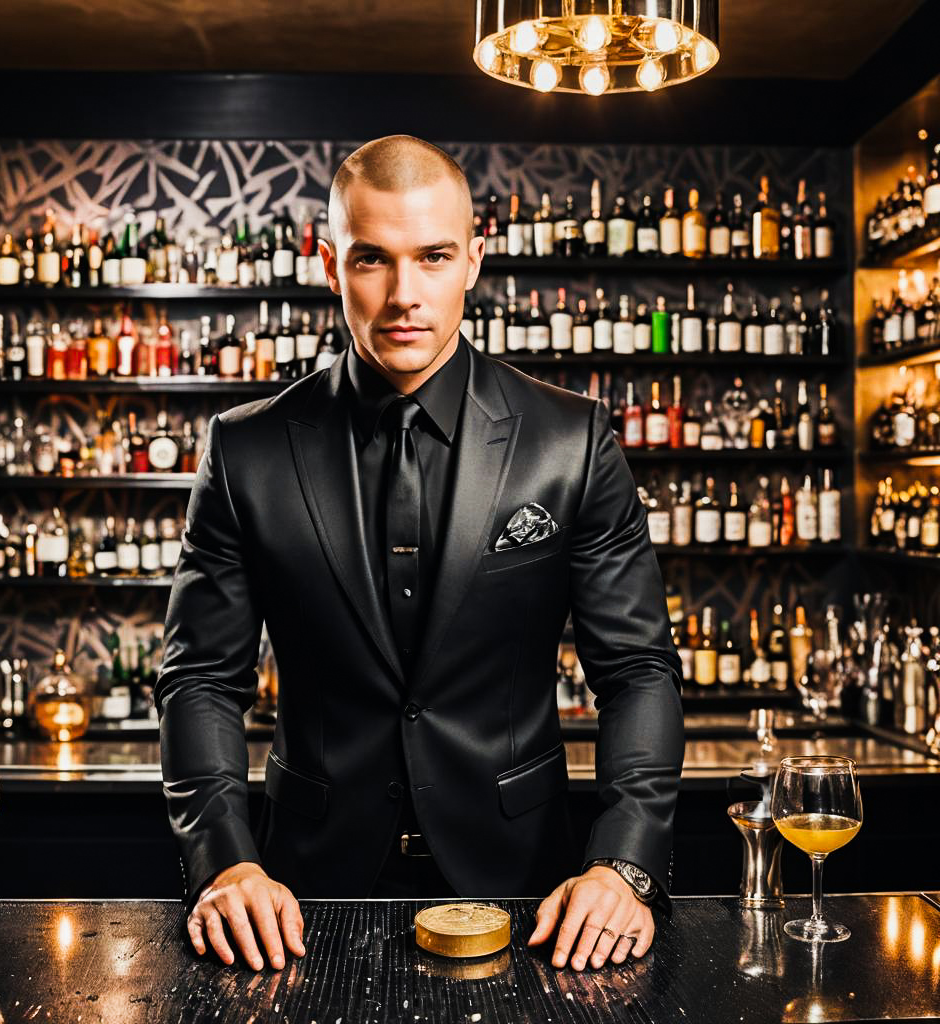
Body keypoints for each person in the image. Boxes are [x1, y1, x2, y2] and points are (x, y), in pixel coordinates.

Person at [155, 135, 685, 976]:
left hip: (530, 891)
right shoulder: (244, 450)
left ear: (474, 259)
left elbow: (638, 671)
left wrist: (624, 865)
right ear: (329, 263)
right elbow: (201, 679)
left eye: (434, 256)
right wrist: (224, 862)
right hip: (298, 894)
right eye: (372, 259)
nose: (404, 295)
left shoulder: (570, 442)